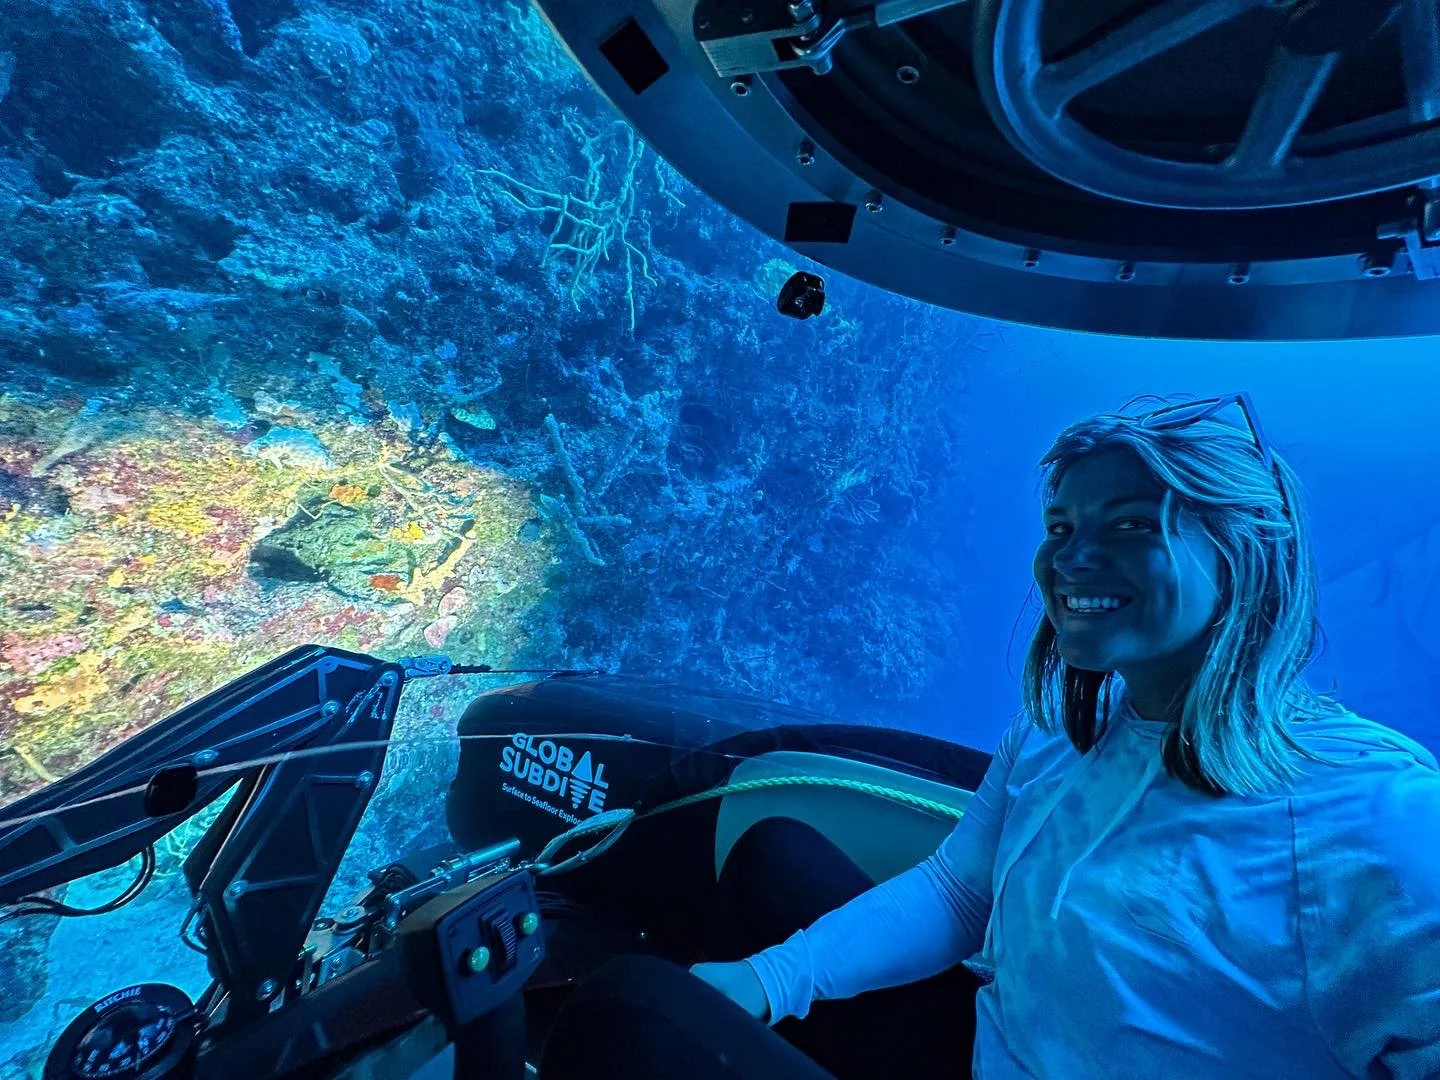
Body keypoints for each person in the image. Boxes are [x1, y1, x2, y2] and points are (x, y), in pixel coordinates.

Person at [539, 393, 1440, 1079]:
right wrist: (768, 981)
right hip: (990, 1047)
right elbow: (960, 895)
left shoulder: (1380, 823)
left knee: (629, 1011)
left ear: (1244, 553)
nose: (1072, 557)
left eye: (1130, 524)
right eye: (1062, 525)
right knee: (772, 854)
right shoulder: (1060, 723)